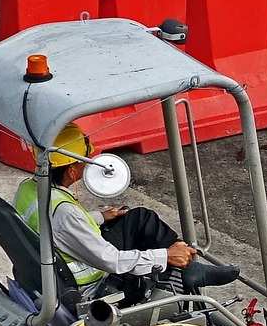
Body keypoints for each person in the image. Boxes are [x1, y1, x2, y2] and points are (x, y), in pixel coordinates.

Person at [14, 126, 231, 304]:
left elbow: (58, 228)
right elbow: (111, 260)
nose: (87, 164)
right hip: (88, 280)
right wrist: (165, 255)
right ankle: (184, 264)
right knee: (150, 247)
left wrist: (100, 216)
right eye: (84, 160)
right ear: (71, 170)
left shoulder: (28, 189)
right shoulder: (65, 211)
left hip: (57, 257)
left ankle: (189, 266)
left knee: (139, 218)